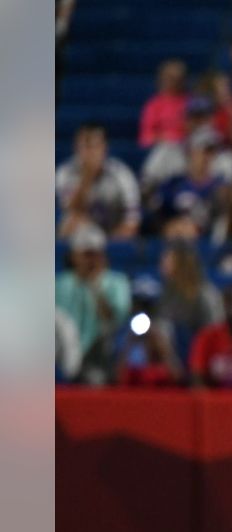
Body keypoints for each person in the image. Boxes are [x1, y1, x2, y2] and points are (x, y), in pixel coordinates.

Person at [55, 223, 131, 384]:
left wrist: (94, 286)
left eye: (95, 254)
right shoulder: (61, 284)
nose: (91, 260)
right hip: (62, 354)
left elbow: (114, 320)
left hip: (99, 356)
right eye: (86, 254)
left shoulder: (116, 282)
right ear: (74, 255)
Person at [56, 123, 141, 240]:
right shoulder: (65, 172)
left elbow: (132, 221)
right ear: (76, 148)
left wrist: (106, 245)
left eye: (95, 146)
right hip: (80, 238)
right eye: (85, 146)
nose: (90, 152)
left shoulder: (122, 174)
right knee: (71, 223)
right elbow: (70, 211)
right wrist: (87, 177)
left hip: (113, 236)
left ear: (105, 148)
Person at [150, 134, 229, 239]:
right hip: (174, 241)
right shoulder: (174, 184)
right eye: (203, 152)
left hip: (205, 244)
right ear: (191, 153)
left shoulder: (221, 188)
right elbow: (156, 213)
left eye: (211, 153)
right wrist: (169, 226)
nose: (207, 157)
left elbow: (223, 223)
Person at [138, 59, 189, 150]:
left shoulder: (191, 102)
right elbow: (145, 138)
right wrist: (164, 139)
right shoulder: (153, 105)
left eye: (178, 78)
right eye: (170, 78)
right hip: (161, 149)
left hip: (186, 149)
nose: (174, 82)